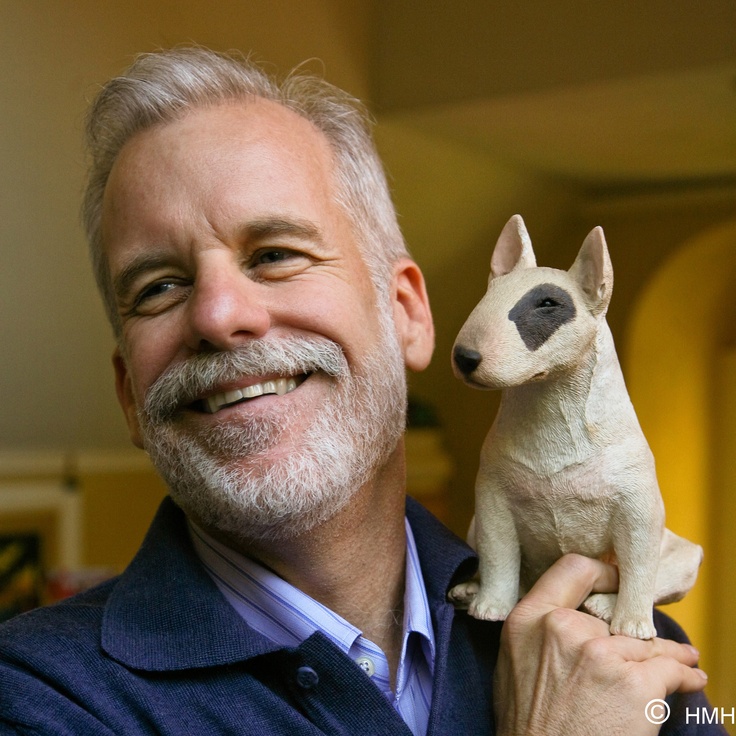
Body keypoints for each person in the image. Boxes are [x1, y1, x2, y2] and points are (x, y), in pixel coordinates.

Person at [0, 47, 722, 735]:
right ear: (130, 394)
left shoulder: (612, 649)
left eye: (275, 254)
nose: (219, 317)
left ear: (406, 313)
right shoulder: (36, 700)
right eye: (158, 287)